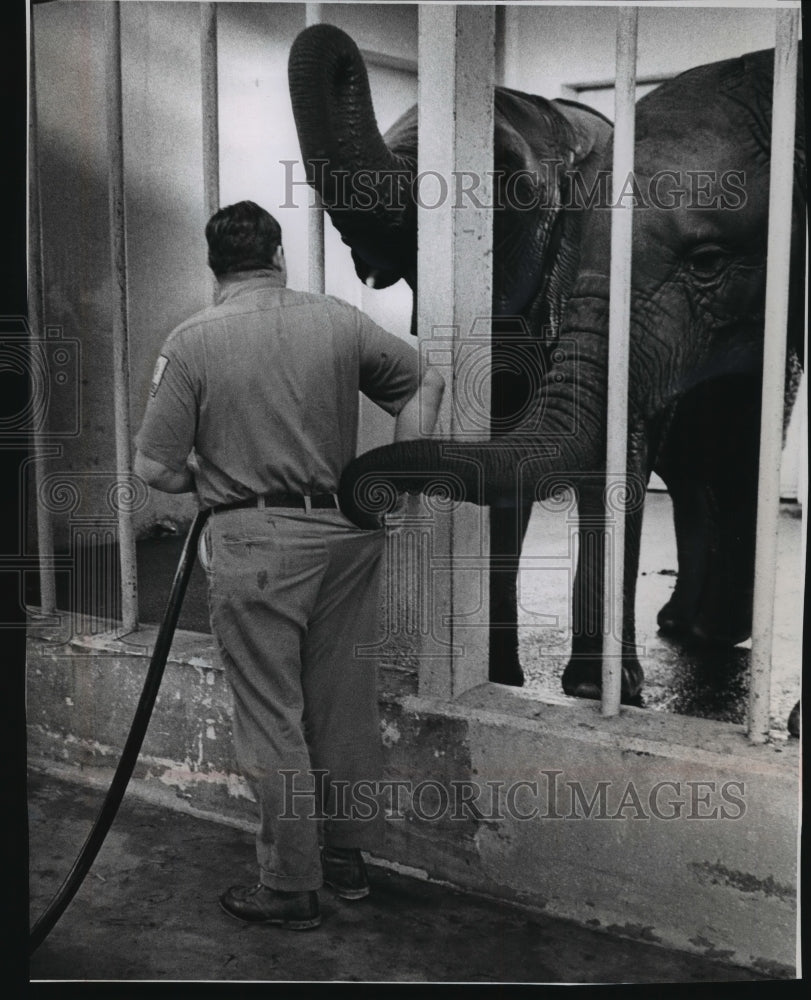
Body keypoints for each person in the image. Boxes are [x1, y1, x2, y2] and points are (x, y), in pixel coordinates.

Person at [134, 200, 443, 930]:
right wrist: (389, 480)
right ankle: (346, 860)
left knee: (272, 716)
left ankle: (290, 885)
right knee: (341, 703)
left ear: (215, 270)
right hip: (345, 532)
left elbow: (152, 464)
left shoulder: (193, 341)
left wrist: (210, 487)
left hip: (258, 544)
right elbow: (422, 382)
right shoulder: (335, 318)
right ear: (278, 257)